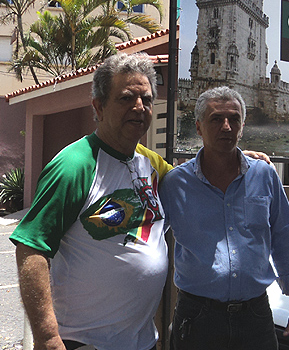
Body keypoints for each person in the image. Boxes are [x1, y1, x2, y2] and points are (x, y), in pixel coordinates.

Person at [10, 53, 268, 350]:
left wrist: (232, 156)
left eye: (146, 99)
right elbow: (31, 250)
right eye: (126, 98)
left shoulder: (153, 164)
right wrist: (48, 339)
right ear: (99, 106)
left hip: (143, 342)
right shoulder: (74, 165)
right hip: (84, 342)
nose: (139, 107)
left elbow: (198, 178)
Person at [159, 86, 289, 350]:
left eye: (234, 119)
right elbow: (147, 241)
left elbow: (285, 236)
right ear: (198, 127)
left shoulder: (264, 175)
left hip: (256, 318)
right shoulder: (175, 184)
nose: (226, 127)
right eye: (216, 119)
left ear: (242, 126)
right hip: (198, 319)